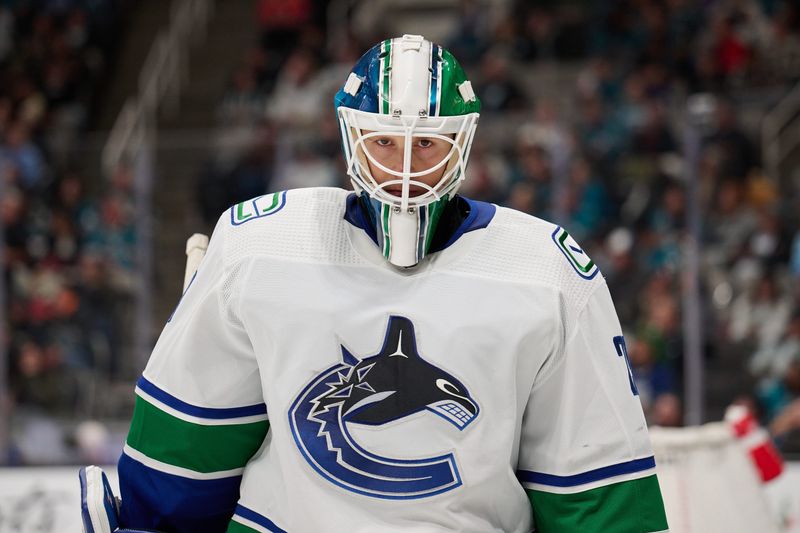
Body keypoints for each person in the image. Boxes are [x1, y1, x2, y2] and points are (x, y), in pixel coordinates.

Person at [80, 34, 668, 532]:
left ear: (461, 143)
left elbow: (592, 486)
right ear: (351, 137)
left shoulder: (549, 274)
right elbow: (189, 451)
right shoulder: (259, 246)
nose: (405, 168)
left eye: (427, 145)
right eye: (385, 142)